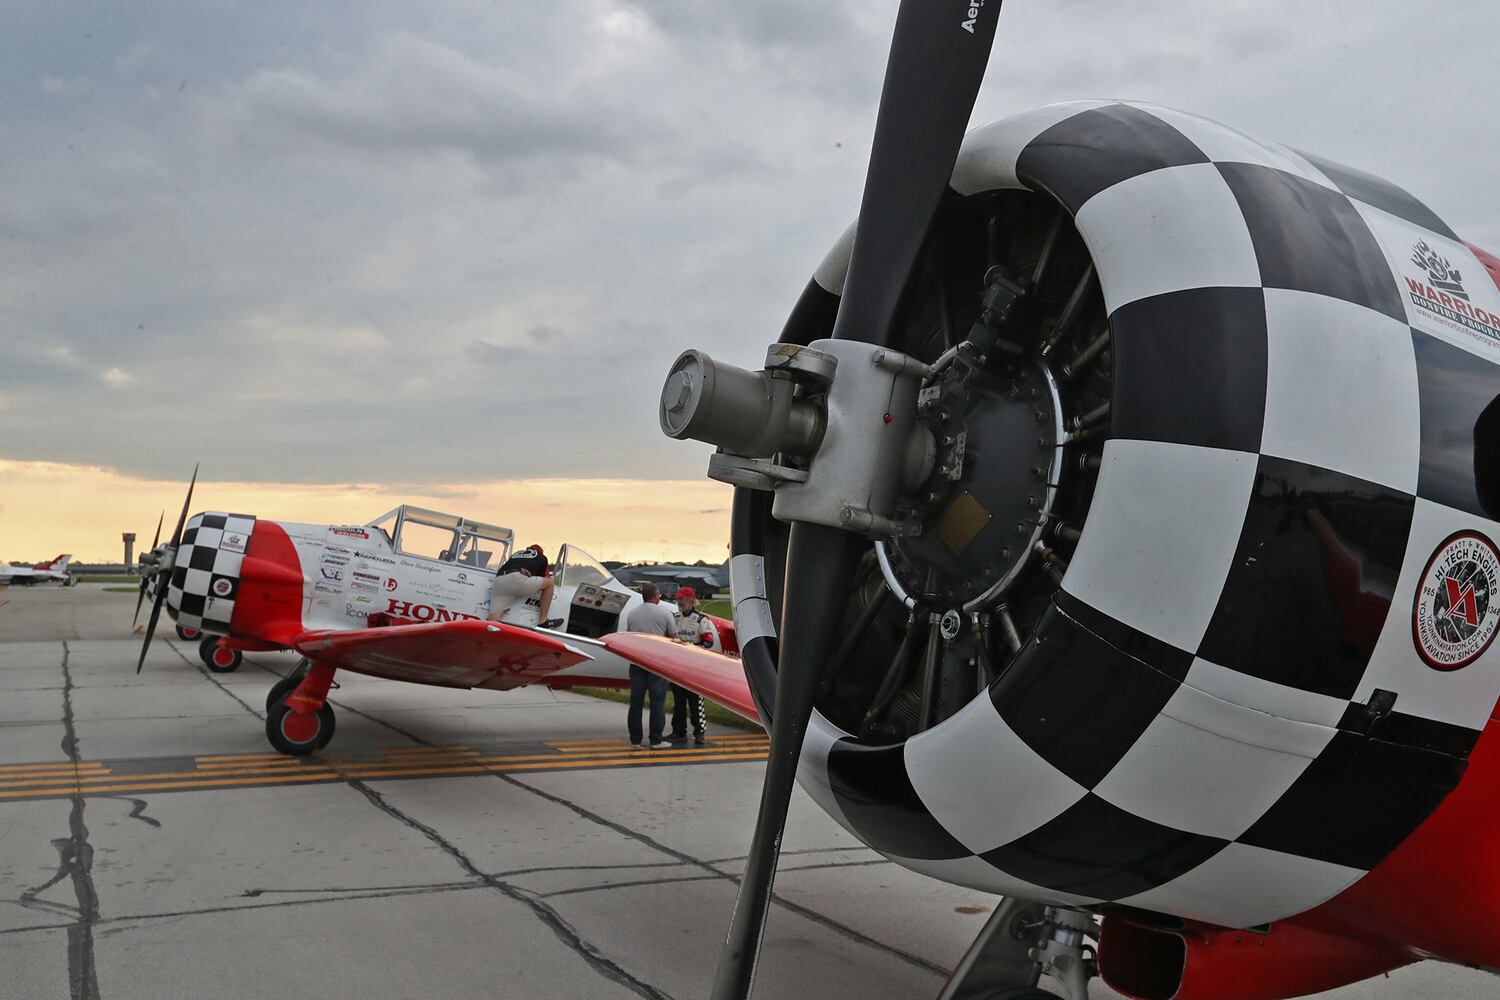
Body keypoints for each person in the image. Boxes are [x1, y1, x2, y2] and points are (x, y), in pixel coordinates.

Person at [624, 582, 677, 749]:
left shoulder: (632, 614)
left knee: (636, 703)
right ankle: (656, 739)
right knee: (657, 703)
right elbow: (673, 637)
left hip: (637, 662)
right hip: (657, 662)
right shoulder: (665, 612)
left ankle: (635, 740)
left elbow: (630, 635)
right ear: (655, 596)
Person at [665, 587, 714, 744]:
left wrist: (692, 648)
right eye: (678, 599)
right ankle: (678, 732)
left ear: (692, 600)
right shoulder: (675, 617)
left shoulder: (701, 619)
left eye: (683, 599)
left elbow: (709, 642)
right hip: (678, 666)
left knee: (696, 702)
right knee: (679, 702)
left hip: (695, 668)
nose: (679, 602)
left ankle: (699, 732)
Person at [487, 545, 560, 628]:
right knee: (549, 584)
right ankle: (543, 621)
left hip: (499, 580)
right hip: (517, 578)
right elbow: (543, 577)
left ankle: (485, 638)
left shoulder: (516, 554)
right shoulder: (541, 557)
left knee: (492, 624)